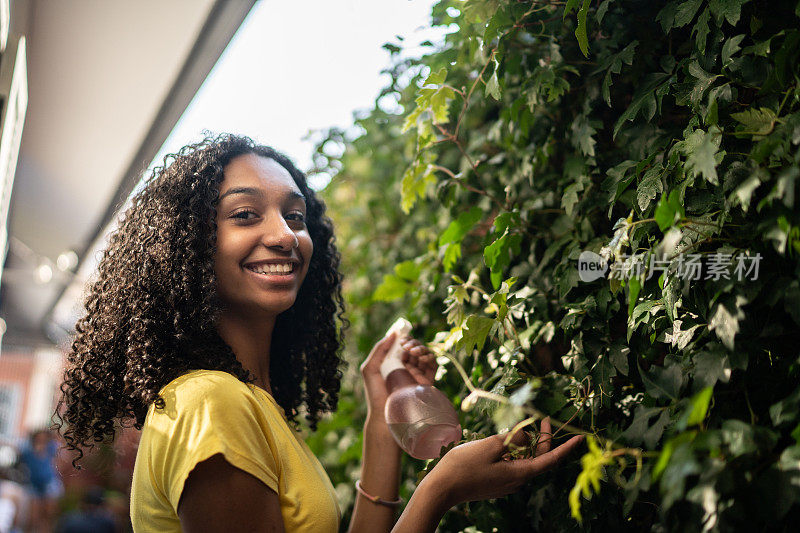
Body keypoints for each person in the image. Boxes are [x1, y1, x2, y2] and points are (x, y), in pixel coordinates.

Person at [53, 134, 583, 532]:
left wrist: (381, 421)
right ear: (187, 246)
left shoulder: (248, 401)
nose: (285, 235)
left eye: (295, 216)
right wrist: (442, 488)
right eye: (244, 214)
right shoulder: (213, 404)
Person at [19, 430, 63, 533]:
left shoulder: (51, 448)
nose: (42, 439)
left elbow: (61, 456)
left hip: (50, 484)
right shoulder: (27, 451)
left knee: (48, 515)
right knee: (32, 517)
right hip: (34, 485)